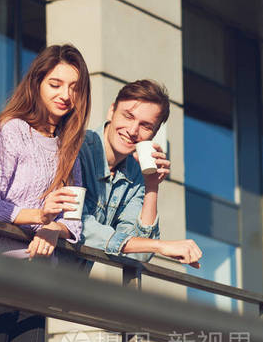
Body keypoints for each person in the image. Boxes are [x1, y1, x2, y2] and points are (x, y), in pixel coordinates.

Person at [0, 44, 91, 342]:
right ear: (37, 83)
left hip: (37, 279)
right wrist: (39, 214)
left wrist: (53, 229)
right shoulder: (12, 129)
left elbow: (75, 219)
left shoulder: (69, 147)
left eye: (75, 88)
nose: (66, 95)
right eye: (56, 84)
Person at [78, 79, 203, 266]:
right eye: (128, 116)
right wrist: (160, 246)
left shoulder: (136, 175)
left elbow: (138, 255)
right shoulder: (77, 147)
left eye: (145, 126)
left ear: (154, 133)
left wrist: (151, 186)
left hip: (70, 287)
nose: (132, 130)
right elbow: (76, 227)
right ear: (111, 111)